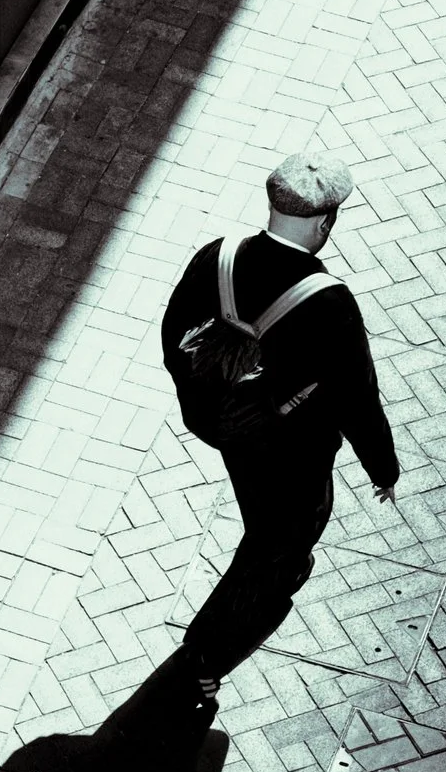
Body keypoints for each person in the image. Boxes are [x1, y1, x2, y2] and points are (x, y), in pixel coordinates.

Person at [160, 153, 400, 696]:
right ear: (324, 223)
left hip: (227, 430)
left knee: (259, 514)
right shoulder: (329, 301)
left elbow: (173, 339)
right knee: (282, 543)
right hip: (292, 449)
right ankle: (207, 654)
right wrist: (383, 469)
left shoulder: (214, 259)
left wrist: (215, 401)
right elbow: (357, 396)